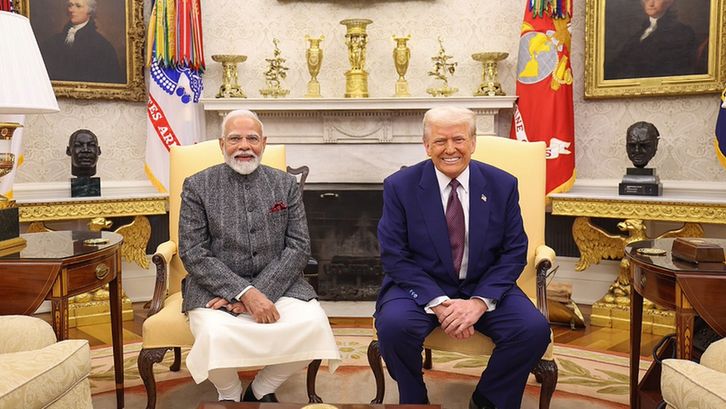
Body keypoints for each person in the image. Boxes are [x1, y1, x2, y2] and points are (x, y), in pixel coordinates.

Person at [375, 106, 551, 409]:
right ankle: (415, 400)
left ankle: (487, 401)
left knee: (532, 330)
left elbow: (513, 250)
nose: (450, 149)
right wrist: (439, 303)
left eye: (458, 139)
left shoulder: (502, 184)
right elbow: (394, 254)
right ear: (426, 145)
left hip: (483, 284)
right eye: (440, 141)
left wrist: (479, 302)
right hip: (421, 285)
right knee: (393, 327)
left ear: (473, 142)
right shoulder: (400, 186)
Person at [178, 109, 340, 403]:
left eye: (252, 138)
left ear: (263, 143)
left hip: (280, 284)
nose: (244, 146)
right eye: (235, 139)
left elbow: (299, 246)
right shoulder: (197, 185)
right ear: (222, 144)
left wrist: (258, 292)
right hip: (214, 288)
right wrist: (243, 292)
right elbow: (193, 252)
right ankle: (229, 393)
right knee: (214, 334)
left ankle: (261, 389)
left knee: (314, 325)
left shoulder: (285, 184)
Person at [605, 0, 697, 80]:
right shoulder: (639, 32)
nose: (651, 3)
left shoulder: (682, 32)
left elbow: (674, 69)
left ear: (669, 2)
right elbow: (620, 61)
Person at [40, 0, 123, 83]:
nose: (71, 10)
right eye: (70, 5)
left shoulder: (102, 47)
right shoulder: (53, 42)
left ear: (90, 11)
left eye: (78, 6)